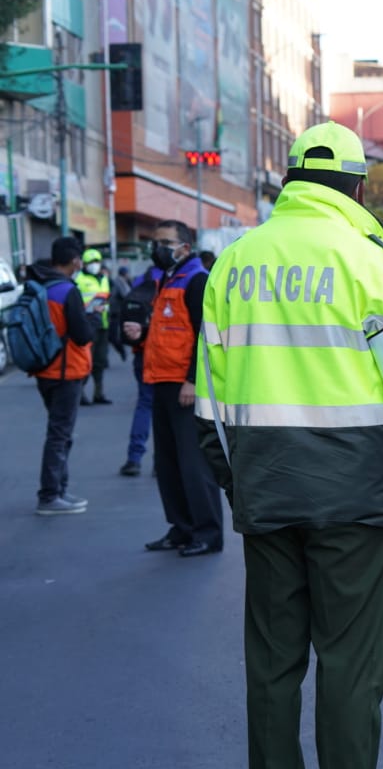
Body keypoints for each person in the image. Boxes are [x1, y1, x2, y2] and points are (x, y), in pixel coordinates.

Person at [194, 121, 383, 769]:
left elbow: (205, 404)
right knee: (349, 662)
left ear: (289, 180)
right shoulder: (369, 261)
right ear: (357, 186)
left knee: (273, 666)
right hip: (354, 505)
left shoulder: (235, 261)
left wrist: (238, 486)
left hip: (269, 496)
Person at [124, 221, 223, 556]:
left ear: (185, 247)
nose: (158, 247)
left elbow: (205, 334)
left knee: (194, 465)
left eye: (165, 241)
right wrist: (137, 334)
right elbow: (166, 330)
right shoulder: (164, 279)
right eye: (155, 241)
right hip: (160, 381)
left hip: (185, 385)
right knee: (168, 463)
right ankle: (181, 528)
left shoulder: (196, 280)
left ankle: (207, 533)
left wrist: (193, 379)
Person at [29, 237, 95, 515]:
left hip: (43, 368)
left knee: (59, 431)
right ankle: (50, 495)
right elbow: (82, 335)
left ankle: (59, 489)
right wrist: (92, 318)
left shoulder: (37, 285)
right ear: (75, 261)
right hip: (67, 370)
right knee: (59, 434)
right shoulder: (67, 290)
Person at [118, 262, 165, 477]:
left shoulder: (141, 279)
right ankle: (161, 461)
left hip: (141, 353)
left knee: (145, 404)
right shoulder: (177, 279)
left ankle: (134, 458)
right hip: (168, 354)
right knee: (166, 411)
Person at [76, 247, 113, 405]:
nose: (94, 264)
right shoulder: (78, 280)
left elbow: (107, 299)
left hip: (102, 325)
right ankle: (80, 394)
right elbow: (75, 305)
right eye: (90, 262)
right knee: (85, 362)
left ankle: (99, 393)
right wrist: (90, 308)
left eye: (96, 261)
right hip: (87, 326)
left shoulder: (104, 279)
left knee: (100, 361)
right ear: (84, 264)